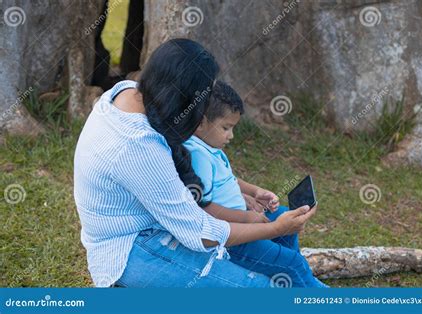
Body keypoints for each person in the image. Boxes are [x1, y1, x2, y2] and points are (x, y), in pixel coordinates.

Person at [74, 38, 317, 288]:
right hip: (132, 247)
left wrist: (246, 198)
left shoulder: (127, 91)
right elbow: (199, 233)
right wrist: (275, 229)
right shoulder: (139, 146)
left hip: (154, 225)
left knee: (278, 272)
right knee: (264, 289)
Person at [183, 81, 328, 287]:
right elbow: (204, 209)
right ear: (200, 123)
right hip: (232, 240)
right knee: (292, 263)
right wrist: (246, 217)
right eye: (226, 128)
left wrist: (255, 191)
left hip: (243, 220)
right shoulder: (198, 154)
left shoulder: (207, 147)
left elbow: (228, 179)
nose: (231, 136)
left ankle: (293, 275)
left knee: (283, 216)